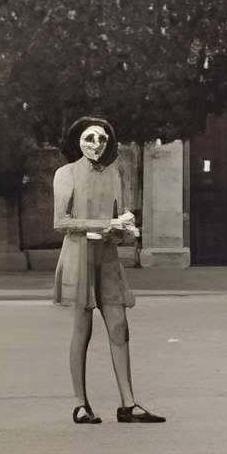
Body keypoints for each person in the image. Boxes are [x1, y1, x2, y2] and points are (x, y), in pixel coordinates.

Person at [53, 115, 164, 425]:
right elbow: (60, 222)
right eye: (90, 138)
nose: (96, 145)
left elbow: (118, 218)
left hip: (108, 256)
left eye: (102, 139)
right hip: (79, 255)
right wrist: (105, 224)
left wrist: (126, 231)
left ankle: (128, 404)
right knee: (82, 330)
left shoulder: (116, 174)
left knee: (119, 326)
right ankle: (80, 404)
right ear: (77, 140)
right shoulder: (66, 174)